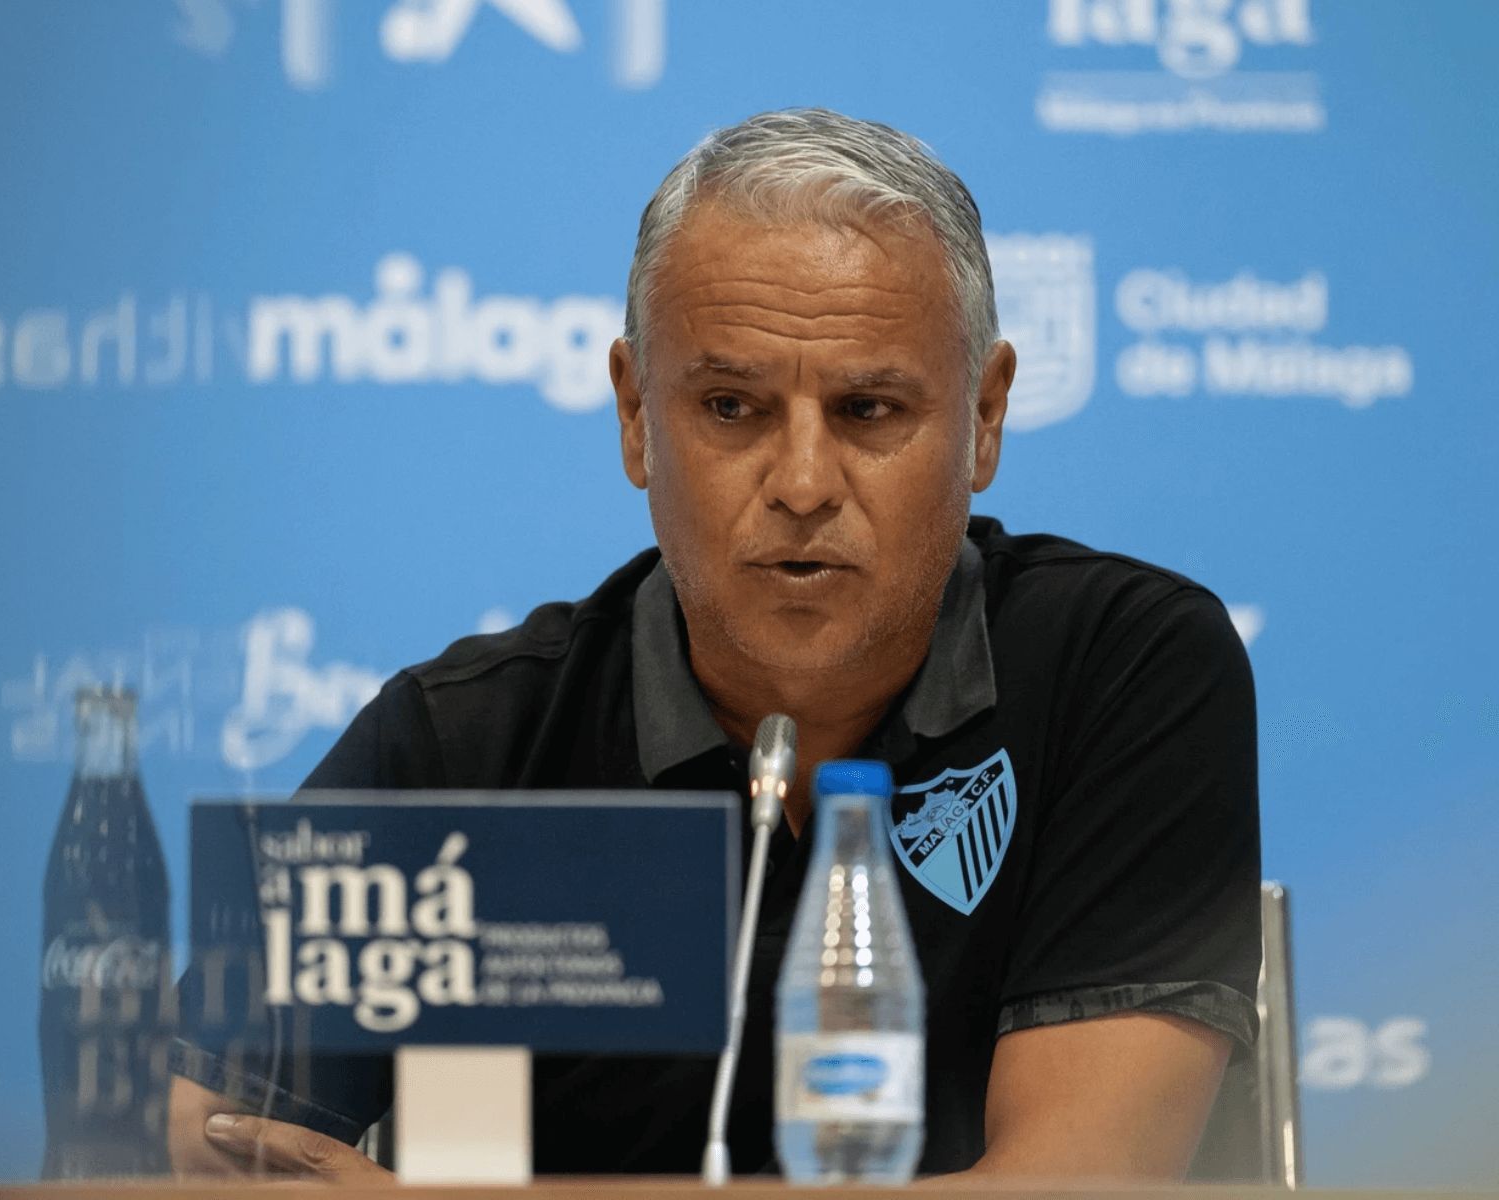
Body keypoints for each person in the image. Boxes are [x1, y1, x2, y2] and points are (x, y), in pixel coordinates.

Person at [168, 107, 1260, 1182]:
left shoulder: (1121, 670)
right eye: (732, 407)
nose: (802, 485)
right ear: (636, 415)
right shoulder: (464, 751)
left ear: (984, 417)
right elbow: (171, 1155)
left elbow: (1075, 1184)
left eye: (869, 410)